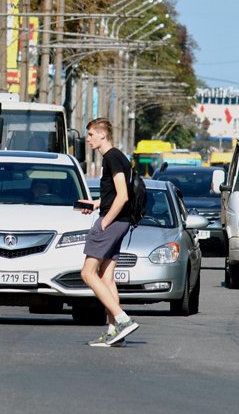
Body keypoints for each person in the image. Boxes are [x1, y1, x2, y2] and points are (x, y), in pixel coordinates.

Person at [74, 118, 138, 348]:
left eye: (91, 134)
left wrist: (105, 222)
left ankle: (122, 319)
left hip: (113, 222)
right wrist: (96, 204)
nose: (88, 138)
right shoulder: (118, 157)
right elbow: (114, 194)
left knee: (87, 273)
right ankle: (114, 332)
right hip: (120, 221)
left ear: (102, 134)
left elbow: (123, 196)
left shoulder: (112, 157)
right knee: (106, 277)